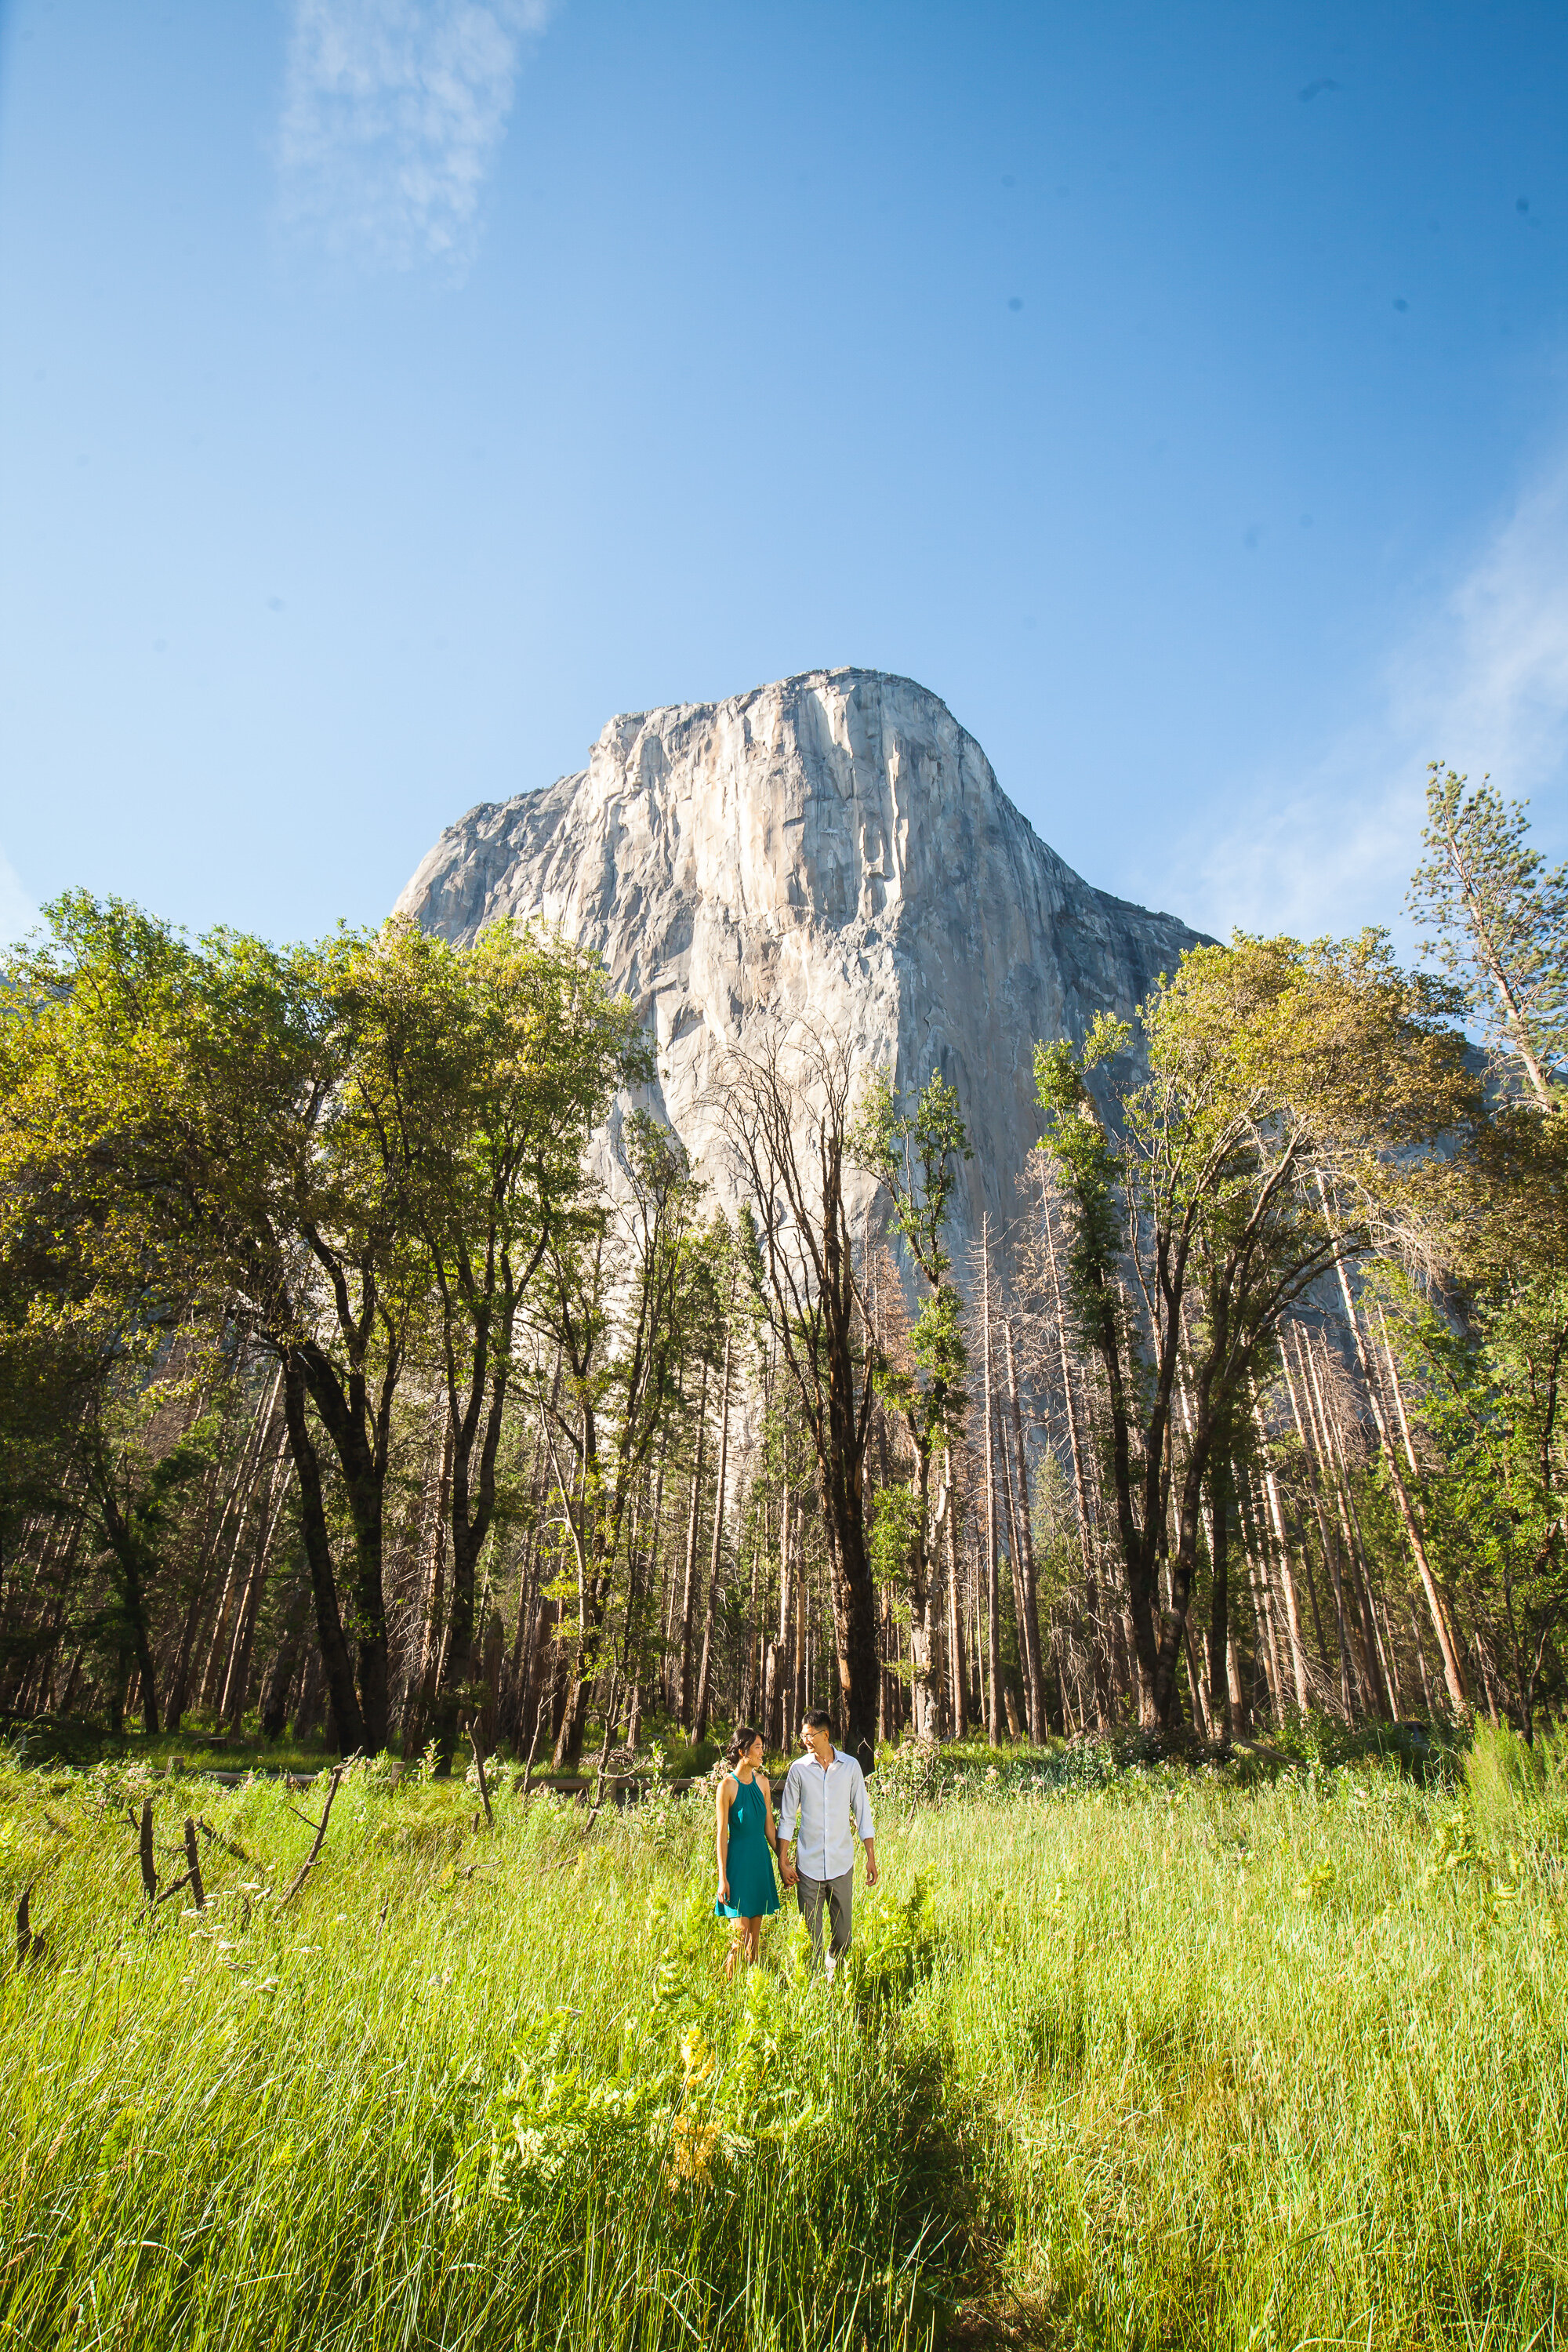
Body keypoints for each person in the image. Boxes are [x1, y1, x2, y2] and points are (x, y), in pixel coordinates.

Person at [776, 1709, 877, 1972]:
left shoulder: (850, 1767)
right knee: (811, 1937)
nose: (804, 1740)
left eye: (809, 1735)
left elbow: (863, 1812)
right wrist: (783, 1860)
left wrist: (871, 1857)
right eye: (803, 1735)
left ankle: (836, 1968)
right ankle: (815, 1986)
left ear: (825, 1735)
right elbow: (787, 1818)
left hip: (841, 1863)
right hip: (807, 1865)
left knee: (843, 1936)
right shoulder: (798, 1769)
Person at [713, 1722, 780, 1973]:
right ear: (743, 1752)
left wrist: (783, 1862)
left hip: (760, 1863)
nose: (762, 1753)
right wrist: (723, 1878)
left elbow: (770, 1829)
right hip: (738, 1866)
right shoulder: (726, 1786)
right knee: (739, 1936)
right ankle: (727, 1988)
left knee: (755, 1939)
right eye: (758, 1748)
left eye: (762, 1747)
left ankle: (750, 1992)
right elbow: (721, 1835)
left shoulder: (763, 1783)